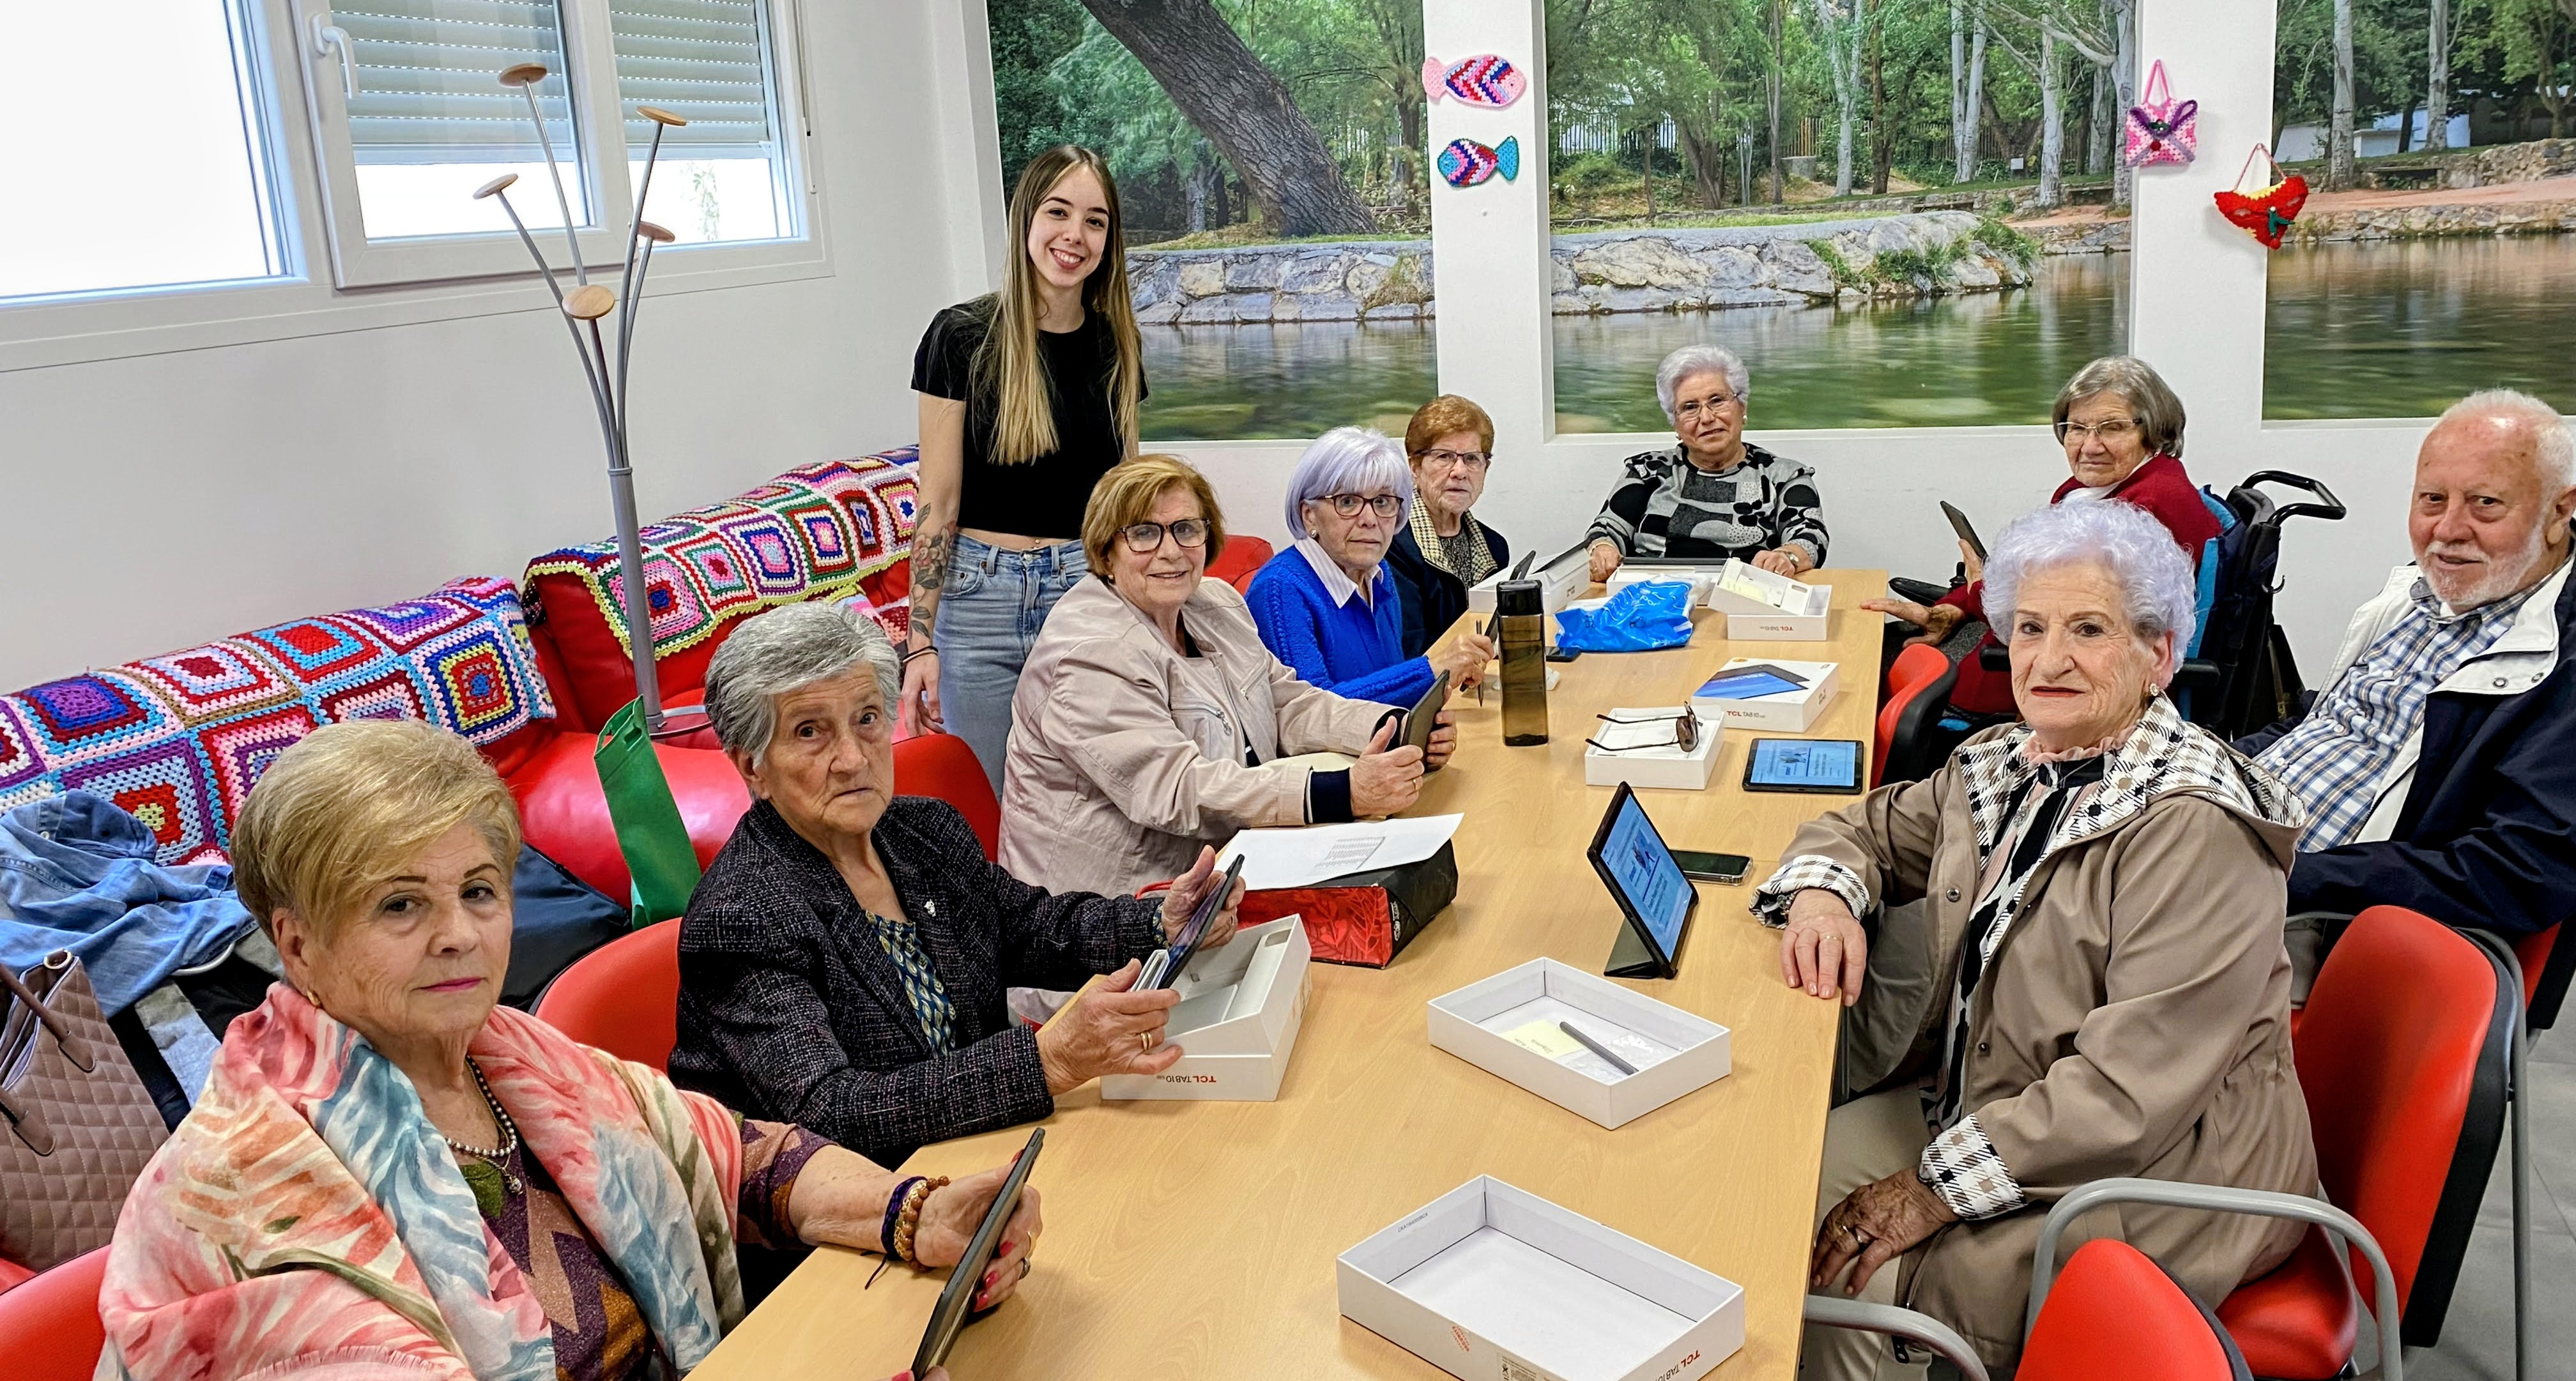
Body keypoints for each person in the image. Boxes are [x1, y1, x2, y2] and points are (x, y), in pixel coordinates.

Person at [96, 719, 1034, 1381]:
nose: (459, 933)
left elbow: (733, 1155)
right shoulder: (237, 1188)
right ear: (297, 943)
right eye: (399, 903)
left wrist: (913, 1211)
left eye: (477, 889)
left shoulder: (513, 1054)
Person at [1760, 499, 2312, 1379]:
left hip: (2152, 1175)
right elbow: (1858, 829)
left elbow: (2123, 1097)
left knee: (1848, 1286)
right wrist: (1824, 898)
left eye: (2088, 629)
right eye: (2028, 627)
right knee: (1772, 1186)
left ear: (2159, 653)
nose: (2048, 659)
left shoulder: (2194, 827)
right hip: (1994, 1100)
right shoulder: (2013, 762)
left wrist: (1928, 1190)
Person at [669, 602, 1247, 1171]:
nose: (852, 759)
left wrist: (1160, 924)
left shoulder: (924, 830)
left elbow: (1028, 929)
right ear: (752, 767)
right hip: (864, 1217)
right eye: (810, 731)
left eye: (868, 718)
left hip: (991, 1151)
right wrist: (1043, 1062)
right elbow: (829, 1114)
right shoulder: (742, 915)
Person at [1000, 455, 1455, 897]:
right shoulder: (1088, 655)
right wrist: (1342, 793)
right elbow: (1179, 788)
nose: (1171, 551)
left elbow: (1288, 702)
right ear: (1105, 550)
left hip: (1225, 865)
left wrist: (1396, 730)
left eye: (1185, 529)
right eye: (1143, 534)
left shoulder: (1213, 603)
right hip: (1114, 913)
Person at [2241, 389, 2576, 986]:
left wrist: (2292, 878)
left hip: (2320, 930)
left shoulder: (2560, 661)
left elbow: (2517, 871)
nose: (2448, 530)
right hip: (2243, 847)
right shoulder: (2422, 597)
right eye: (2432, 500)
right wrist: (2208, 759)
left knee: (2053, 943)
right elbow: (2330, 720)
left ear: (2559, 513)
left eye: (2486, 504)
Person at [907, 144, 1147, 795]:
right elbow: (940, 496)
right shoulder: (959, 337)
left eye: (1095, 221)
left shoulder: (1115, 343)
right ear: (1026, 221)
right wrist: (919, 642)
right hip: (977, 599)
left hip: (1083, 590)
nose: (1075, 235)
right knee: (998, 802)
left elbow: (1127, 495)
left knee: (1094, 798)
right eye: (1058, 212)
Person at [1864, 355, 2223, 715]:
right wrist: (1955, 608)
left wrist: (1977, 594)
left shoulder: (2144, 509)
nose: (2090, 446)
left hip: (2050, 682)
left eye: (2112, 428)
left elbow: (2065, 612)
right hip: (2024, 650)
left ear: (2155, 431)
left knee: (1871, 677)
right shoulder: (2095, 488)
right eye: (2077, 428)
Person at [1245, 427, 1494, 705]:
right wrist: (1431, 670)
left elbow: (1389, 691)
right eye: (1348, 502)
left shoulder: (1379, 574)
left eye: (1383, 502)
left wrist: (1417, 722)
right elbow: (1310, 711)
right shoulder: (1280, 589)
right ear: (1309, 516)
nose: (1369, 519)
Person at [1585, 344, 1827, 583]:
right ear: (1675, 423)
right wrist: (1602, 548)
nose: (1707, 418)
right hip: (1653, 601)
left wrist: (1789, 557)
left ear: (1742, 407)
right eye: (1690, 407)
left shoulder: (1784, 475)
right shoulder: (1647, 471)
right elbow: (1606, 530)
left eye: (1717, 401)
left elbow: (1809, 535)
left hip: (1747, 597)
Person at [1386, 394, 1513, 658]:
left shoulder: (1495, 547)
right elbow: (1411, 650)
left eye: (1472, 459)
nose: (1459, 471)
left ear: (1485, 468)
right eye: (1444, 457)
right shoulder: (1392, 545)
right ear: (1414, 467)